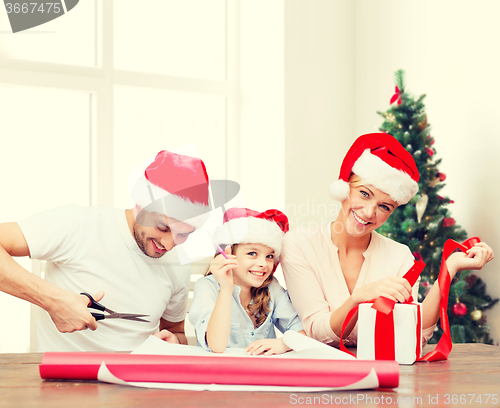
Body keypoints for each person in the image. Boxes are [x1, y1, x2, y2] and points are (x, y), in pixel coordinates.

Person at [281, 133, 494, 348]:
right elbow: (317, 332)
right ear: (345, 187)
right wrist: (359, 298)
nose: (369, 212)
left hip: (385, 374)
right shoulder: (299, 244)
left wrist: (451, 266)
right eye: (364, 194)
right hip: (321, 374)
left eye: (384, 206)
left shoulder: (399, 256)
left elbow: (414, 334)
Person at [0, 150, 212, 351]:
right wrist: (52, 300)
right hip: (65, 382)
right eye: (162, 227)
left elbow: (175, 331)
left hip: (136, 382)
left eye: (183, 234)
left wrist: (173, 342)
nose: (169, 244)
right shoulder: (78, 224)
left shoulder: (177, 265)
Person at [188, 208, 305, 355]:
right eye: (252, 253)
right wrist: (226, 289)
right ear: (227, 254)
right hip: (219, 373)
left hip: (261, 373)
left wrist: (283, 343)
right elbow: (216, 346)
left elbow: (303, 331)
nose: (264, 263)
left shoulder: (271, 287)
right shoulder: (207, 287)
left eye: (269, 256)